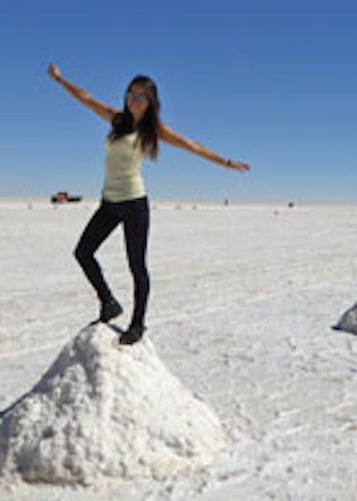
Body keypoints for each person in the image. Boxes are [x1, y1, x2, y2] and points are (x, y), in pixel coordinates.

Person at [47, 63, 250, 345]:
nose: (134, 99)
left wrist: (227, 163)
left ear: (151, 101)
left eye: (141, 95)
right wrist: (60, 80)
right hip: (109, 201)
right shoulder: (116, 119)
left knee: (137, 266)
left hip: (133, 203)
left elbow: (192, 146)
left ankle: (138, 323)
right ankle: (108, 302)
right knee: (83, 252)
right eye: (131, 93)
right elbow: (86, 97)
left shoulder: (154, 130)